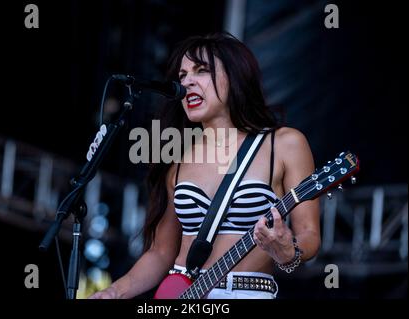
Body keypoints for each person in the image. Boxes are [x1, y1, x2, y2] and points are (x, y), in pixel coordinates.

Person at [89, 32, 320, 299]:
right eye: (182, 76)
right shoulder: (177, 155)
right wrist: (113, 292)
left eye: (201, 71)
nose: (187, 83)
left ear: (235, 77)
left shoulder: (284, 143)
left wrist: (289, 252)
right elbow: (161, 252)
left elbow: (309, 234)